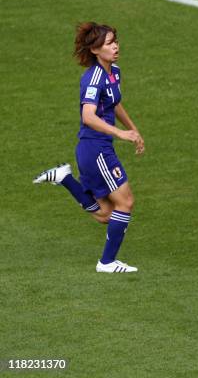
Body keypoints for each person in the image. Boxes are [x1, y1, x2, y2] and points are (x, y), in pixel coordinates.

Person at [33, 22, 144, 273]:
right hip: (95, 150)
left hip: (98, 148)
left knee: (105, 214)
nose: (115, 46)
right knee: (125, 202)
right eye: (108, 43)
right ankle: (106, 263)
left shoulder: (114, 71)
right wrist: (120, 133)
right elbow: (89, 116)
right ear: (95, 50)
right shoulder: (93, 77)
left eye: (115, 40)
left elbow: (114, 103)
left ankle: (65, 178)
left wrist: (133, 129)